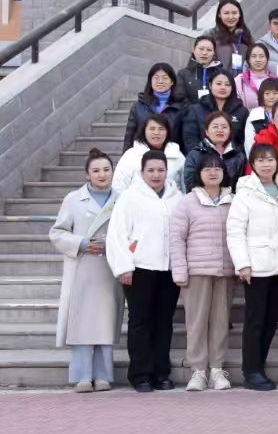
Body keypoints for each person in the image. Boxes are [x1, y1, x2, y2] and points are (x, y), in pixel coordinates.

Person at [105, 150, 182, 392]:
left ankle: (161, 373)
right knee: (140, 321)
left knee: (164, 322)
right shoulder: (129, 198)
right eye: (151, 170)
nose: (156, 175)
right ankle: (141, 375)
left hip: (168, 269)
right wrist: (123, 267)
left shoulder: (177, 197)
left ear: (167, 172)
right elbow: (117, 235)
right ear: (142, 172)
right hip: (139, 268)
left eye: (161, 170)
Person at [49, 148, 123, 393]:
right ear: (87, 174)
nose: (102, 174)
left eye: (106, 169)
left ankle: (103, 375)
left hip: (109, 267)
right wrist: (80, 243)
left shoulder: (122, 199)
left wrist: (114, 247)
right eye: (96, 170)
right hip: (82, 266)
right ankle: (82, 375)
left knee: (104, 321)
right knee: (81, 322)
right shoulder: (73, 199)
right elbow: (57, 232)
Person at [226, 144, 278, 392]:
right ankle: (251, 371)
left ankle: (260, 365)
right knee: (255, 321)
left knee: (271, 320)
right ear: (253, 164)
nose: (266, 165)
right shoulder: (245, 193)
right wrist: (242, 264)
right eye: (261, 160)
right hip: (256, 267)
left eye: (270, 159)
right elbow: (235, 231)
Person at [169, 152, 235, 391]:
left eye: (217, 168)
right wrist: (179, 270)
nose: (213, 172)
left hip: (225, 271)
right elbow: (176, 238)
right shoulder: (188, 202)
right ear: (199, 174)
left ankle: (217, 369)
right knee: (196, 322)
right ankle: (198, 371)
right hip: (196, 272)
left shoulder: (233, 201)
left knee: (220, 321)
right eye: (207, 168)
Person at [182, 68, 249, 153]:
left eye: (227, 85)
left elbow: (244, 140)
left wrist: (234, 156)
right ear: (210, 85)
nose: (223, 87)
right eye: (218, 84)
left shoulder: (242, 111)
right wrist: (200, 156)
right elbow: (190, 138)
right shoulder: (196, 110)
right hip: (202, 157)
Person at [122, 62, 184, 153]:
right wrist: (126, 156)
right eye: (156, 78)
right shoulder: (139, 106)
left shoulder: (181, 106)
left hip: (171, 155)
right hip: (141, 155)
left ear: (172, 81)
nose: (160, 81)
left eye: (165, 78)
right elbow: (129, 136)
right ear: (150, 81)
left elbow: (185, 138)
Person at [114, 114, 185, 192]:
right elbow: (119, 185)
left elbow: (184, 187)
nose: (156, 133)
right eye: (152, 129)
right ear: (144, 131)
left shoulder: (177, 155)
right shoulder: (131, 155)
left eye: (161, 129)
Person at [205, 0, 254, 71]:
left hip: (242, 77)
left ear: (240, 14)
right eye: (226, 13)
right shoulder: (210, 35)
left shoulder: (246, 35)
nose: (231, 17)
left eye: (234, 13)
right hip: (218, 77)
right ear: (219, 15)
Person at [174, 35, 224, 104]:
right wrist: (195, 109)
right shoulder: (183, 74)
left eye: (209, 50)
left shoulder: (221, 74)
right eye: (201, 49)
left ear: (214, 53)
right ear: (193, 50)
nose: (204, 53)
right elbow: (180, 99)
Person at [244, 78, 278, 156]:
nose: (271, 97)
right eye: (267, 93)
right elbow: (249, 142)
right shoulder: (254, 116)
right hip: (260, 157)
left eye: (275, 93)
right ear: (261, 95)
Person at [236, 43, 278, 112]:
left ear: (267, 59)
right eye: (254, 56)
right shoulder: (239, 80)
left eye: (261, 56)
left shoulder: (275, 80)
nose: (258, 60)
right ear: (248, 60)